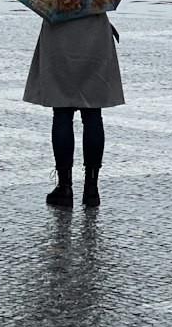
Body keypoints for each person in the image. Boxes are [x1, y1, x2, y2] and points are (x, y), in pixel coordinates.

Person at [24, 13, 125, 209]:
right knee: (93, 113)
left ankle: (65, 187)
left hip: (59, 35)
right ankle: (92, 188)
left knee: (62, 112)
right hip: (95, 35)